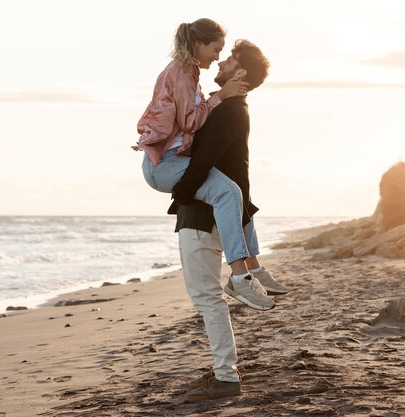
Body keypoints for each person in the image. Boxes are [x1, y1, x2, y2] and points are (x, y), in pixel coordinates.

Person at [172, 39, 289, 402]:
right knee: (209, 298)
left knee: (207, 297)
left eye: (229, 59)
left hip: (203, 215)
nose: (220, 62)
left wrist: (180, 195)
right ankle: (224, 371)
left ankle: (225, 376)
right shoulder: (231, 108)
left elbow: (203, 161)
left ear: (240, 73)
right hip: (211, 213)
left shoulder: (228, 111)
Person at [134, 19, 279, 305]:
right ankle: (242, 277)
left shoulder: (189, 74)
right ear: (199, 44)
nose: (216, 58)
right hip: (164, 165)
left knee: (233, 190)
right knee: (228, 192)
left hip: (169, 162)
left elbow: (193, 115)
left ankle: (252, 271)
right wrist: (222, 95)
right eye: (216, 49)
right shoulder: (181, 72)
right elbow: (190, 121)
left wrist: (219, 97)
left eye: (223, 53)